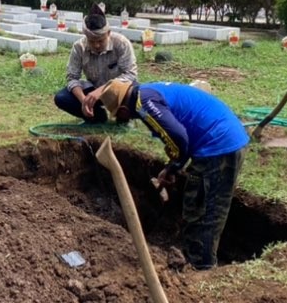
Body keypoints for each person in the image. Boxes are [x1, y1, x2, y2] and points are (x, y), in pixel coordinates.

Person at [98, 79, 250, 270]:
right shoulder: (148, 91)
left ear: (123, 111)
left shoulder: (144, 104)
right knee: (203, 204)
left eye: (120, 116)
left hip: (218, 147)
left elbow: (179, 137)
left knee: (202, 210)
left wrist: (175, 165)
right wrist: (172, 168)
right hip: (223, 138)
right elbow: (180, 136)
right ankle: (196, 258)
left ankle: (201, 268)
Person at [53, 4, 137, 123]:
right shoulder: (79, 47)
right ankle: (97, 116)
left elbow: (130, 75)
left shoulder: (121, 43)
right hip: (93, 89)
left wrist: (102, 91)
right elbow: (72, 78)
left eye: (100, 40)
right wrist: (84, 101)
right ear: (86, 36)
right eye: (92, 41)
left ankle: (124, 118)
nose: (97, 45)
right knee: (62, 98)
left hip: (118, 90)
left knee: (135, 92)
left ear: (108, 33)